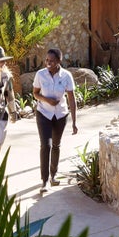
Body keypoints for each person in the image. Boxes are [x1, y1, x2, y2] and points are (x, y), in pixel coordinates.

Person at [32, 47, 77, 191]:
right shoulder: (40, 74)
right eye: (47, 60)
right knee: (46, 145)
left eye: (51, 61)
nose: (48, 63)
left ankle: (53, 175)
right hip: (43, 113)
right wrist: (47, 100)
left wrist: (74, 122)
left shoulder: (66, 76)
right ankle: (44, 181)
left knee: (56, 145)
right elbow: (35, 93)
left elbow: (71, 98)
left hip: (60, 115)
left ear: (59, 61)